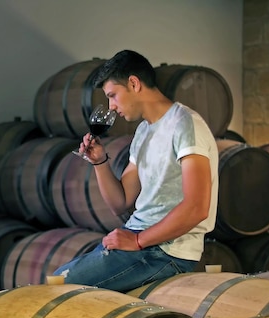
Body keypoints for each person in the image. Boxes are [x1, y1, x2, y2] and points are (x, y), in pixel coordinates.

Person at [53, 50, 219, 292]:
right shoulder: (144, 131)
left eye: (113, 95)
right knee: (56, 280)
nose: (111, 106)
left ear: (133, 83)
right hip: (141, 241)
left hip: (166, 251)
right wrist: (100, 163)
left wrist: (139, 241)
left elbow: (197, 208)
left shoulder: (185, 124)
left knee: (61, 287)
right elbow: (120, 202)